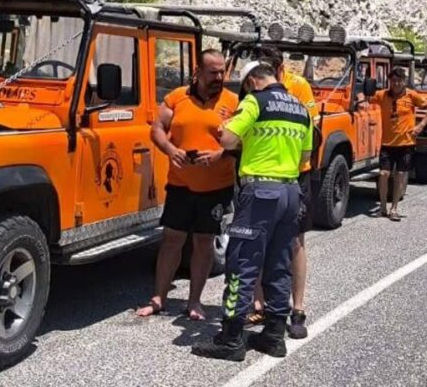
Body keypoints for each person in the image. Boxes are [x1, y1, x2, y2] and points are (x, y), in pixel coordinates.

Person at [192, 61, 313, 361]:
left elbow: (228, 139)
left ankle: (231, 339)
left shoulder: (254, 102)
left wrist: (239, 130)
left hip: (260, 192)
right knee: (278, 262)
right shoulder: (301, 108)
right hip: (290, 190)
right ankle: (273, 336)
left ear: (252, 82)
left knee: (242, 263)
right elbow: (306, 156)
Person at [135, 50, 238, 321]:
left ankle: (194, 302)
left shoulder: (234, 102)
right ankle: (158, 298)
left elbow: (242, 142)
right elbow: (157, 128)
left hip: (217, 186)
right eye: (213, 72)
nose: (219, 77)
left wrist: (221, 154)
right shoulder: (176, 97)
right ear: (198, 72)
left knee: (204, 243)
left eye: (222, 72)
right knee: (172, 240)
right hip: (180, 184)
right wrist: (170, 149)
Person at [248, 46, 317, 339]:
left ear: (279, 69)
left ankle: (297, 308)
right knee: (257, 239)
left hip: (294, 174)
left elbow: (312, 127)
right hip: (261, 176)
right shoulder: (252, 89)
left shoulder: (298, 86)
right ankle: (260, 302)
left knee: (295, 242)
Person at [369, 66, 427, 221]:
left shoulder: (411, 96)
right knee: (383, 174)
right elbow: (366, 97)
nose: (396, 84)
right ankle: (383, 207)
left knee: (400, 175)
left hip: (406, 143)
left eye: (399, 81)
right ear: (389, 82)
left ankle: (394, 208)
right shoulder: (382, 95)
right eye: (393, 81)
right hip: (387, 143)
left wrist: (421, 125)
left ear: (404, 81)